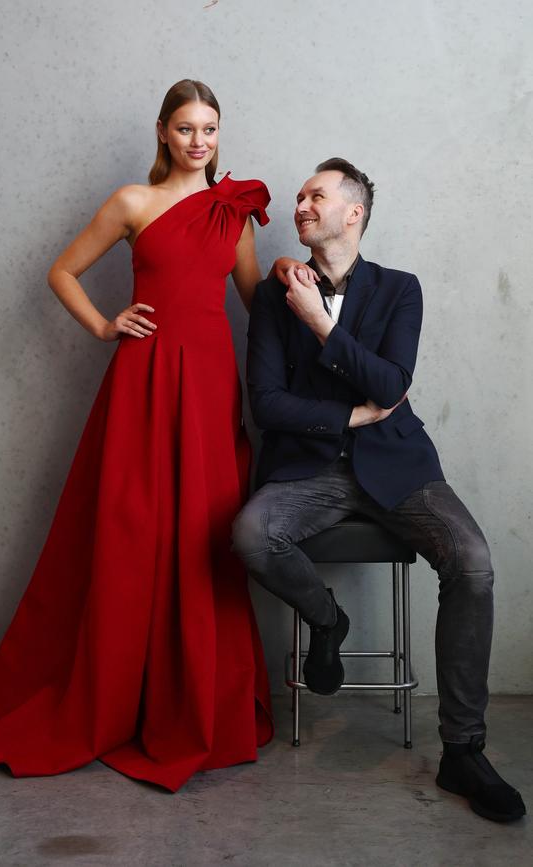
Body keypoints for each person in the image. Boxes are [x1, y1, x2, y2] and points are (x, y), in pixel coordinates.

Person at [0, 79, 313, 792]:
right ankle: (118, 697)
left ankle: (191, 700)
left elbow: (256, 310)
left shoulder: (233, 214)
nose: (199, 141)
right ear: (162, 132)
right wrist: (103, 323)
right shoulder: (133, 202)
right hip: (143, 385)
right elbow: (60, 271)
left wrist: (281, 274)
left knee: (202, 541)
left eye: (209, 128)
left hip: (210, 393)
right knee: (131, 536)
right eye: (185, 128)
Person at [232, 158, 526, 823]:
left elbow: (393, 385)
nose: (301, 203)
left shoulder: (401, 289)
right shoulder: (276, 298)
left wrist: (323, 324)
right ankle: (327, 618)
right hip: (307, 467)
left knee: (473, 560)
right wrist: (347, 413)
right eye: (301, 195)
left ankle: (464, 748)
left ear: (353, 213)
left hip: (396, 466)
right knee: (250, 533)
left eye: (317, 195)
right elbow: (268, 403)